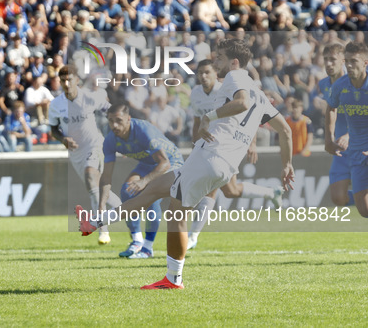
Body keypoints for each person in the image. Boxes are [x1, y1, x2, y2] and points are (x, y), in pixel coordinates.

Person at [77, 39, 295, 289]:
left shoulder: (236, 77)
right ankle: (94, 222)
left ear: (235, 62)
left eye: (220, 58)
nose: (216, 62)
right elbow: (285, 131)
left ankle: (173, 279)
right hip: (223, 165)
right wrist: (287, 164)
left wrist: (208, 117)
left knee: (175, 213)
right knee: (154, 190)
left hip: (211, 156)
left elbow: (242, 103)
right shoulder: (261, 96)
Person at [186, 60, 284, 250]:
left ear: (216, 73)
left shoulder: (227, 89)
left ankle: (193, 236)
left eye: (207, 72)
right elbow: (198, 121)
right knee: (230, 191)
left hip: (228, 144)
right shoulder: (196, 93)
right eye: (200, 73)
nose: (203, 76)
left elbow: (247, 113)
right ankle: (272, 192)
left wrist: (252, 142)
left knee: (210, 188)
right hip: (207, 144)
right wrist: (194, 144)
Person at [48, 66, 121, 245]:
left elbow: (112, 111)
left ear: (77, 80)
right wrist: (63, 139)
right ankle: (123, 209)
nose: (66, 83)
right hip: (76, 153)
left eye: (69, 79)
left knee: (91, 177)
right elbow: (53, 130)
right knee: (96, 189)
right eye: (63, 80)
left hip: (95, 145)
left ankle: (102, 230)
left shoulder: (89, 97)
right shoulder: (56, 105)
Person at [101, 103, 185, 258]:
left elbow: (164, 162)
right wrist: (101, 207)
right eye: (111, 121)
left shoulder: (143, 131)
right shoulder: (110, 140)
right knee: (127, 191)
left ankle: (148, 247)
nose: (114, 125)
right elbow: (106, 176)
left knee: (150, 196)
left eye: (118, 120)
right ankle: (137, 241)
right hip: (149, 164)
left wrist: (144, 181)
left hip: (171, 162)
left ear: (128, 119)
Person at [325, 42, 368, 218]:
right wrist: (329, 139)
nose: (349, 66)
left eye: (354, 61)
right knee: (364, 210)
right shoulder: (340, 86)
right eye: (347, 61)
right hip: (356, 153)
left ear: (365, 62)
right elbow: (331, 108)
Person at [318, 43, 352, 207]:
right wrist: (329, 140)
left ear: (343, 61)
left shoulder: (356, 83)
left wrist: (349, 135)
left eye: (333, 59)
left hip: (361, 145)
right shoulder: (324, 84)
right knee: (338, 198)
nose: (328, 63)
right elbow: (330, 111)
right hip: (341, 150)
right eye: (325, 59)